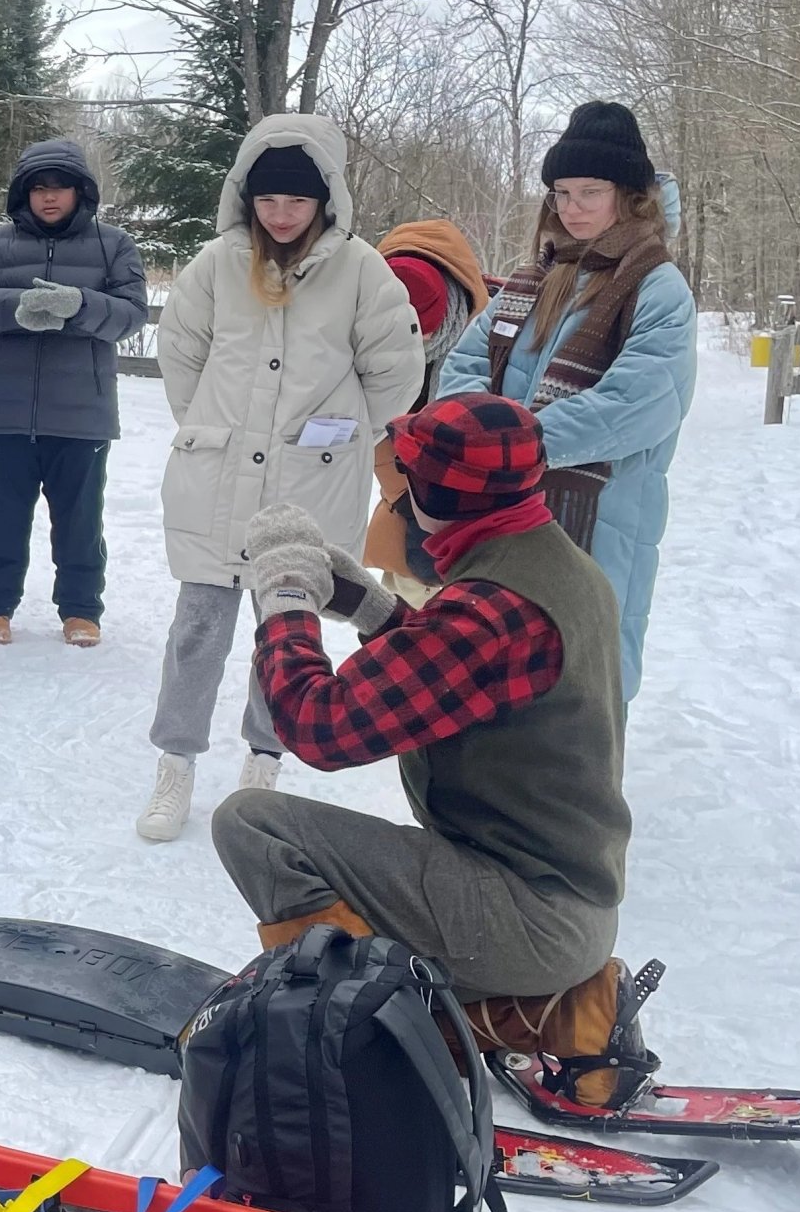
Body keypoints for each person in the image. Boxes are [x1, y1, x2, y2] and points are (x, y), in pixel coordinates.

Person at [209, 394, 659, 1110]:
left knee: (252, 824)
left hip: (525, 913)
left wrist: (285, 597)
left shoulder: (491, 610)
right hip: (560, 902)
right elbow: (456, 673)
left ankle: (357, 1028)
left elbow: (318, 728)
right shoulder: (555, 568)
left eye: (400, 481)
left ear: (432, 496)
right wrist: (362, 602)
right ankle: (547, 1011)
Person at [138, 112, 422, 842]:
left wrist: (344, 432)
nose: (282, 213)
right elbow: (182, 356)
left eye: (296, 200)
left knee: (285, 629)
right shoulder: (215, 264)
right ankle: (175, 762)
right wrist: (207, 424)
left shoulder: (361, 270)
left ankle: (263, 759)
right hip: (217, 477)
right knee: (197, 629)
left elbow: (393, 371)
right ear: (246, 198)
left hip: (309, 482)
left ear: (324, 198)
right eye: (268, 200)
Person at [439, 100, 697, 699]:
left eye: (590, 192)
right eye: (561, 192)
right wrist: (478, 437)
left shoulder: (658, 287)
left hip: (603, 517)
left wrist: (508, 446)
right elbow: (465, 364)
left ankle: (582, 796)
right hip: (505, 509)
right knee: (497, 663)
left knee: (583, 676)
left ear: (629, 195)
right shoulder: (537, 276)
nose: (572, 208)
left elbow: (639, 403)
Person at [0, 135, 148, 646]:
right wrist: (17, 307)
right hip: (5, 411)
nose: (49, 197)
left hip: (82, 413)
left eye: (60, 187)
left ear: (80, 191)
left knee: (81, 523)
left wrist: (80, 304)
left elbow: (131, 313)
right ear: (23, 193)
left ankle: (81, 610)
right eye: (38, 188)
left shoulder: (114, 244)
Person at [361, 219, 493, 606]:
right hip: (405, 506)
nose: (413, 349)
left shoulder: (484, 337)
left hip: (473, 512)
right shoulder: (363, 322)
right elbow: (369, 424)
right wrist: (405, 497)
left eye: (423, 337)